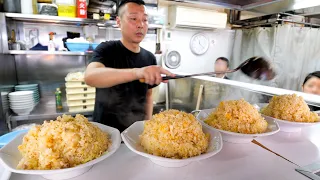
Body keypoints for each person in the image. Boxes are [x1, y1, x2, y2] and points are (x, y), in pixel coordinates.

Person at [84, 0, 174, 132]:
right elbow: (90, 77)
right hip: (106, 134)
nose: (140, 25)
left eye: (145, 20)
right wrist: (137, 73)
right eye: (133, 19)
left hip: (136, 133)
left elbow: (148, 96)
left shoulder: (149, 58)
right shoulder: (107, 49)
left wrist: (147, 126)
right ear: (119, 22)